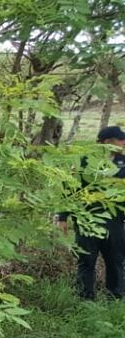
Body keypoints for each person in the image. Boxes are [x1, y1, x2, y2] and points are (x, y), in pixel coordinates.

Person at [56, 125, 125, 299]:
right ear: (107, 142)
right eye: (121, 139)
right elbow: (70, 189)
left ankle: (114, 298)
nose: (124, 143)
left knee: (115, 262)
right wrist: (63, 217)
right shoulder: (84, 162)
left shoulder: (123, 163)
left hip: (114, 222)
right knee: (86, 262)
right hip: (87, 220)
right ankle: (84, 298)